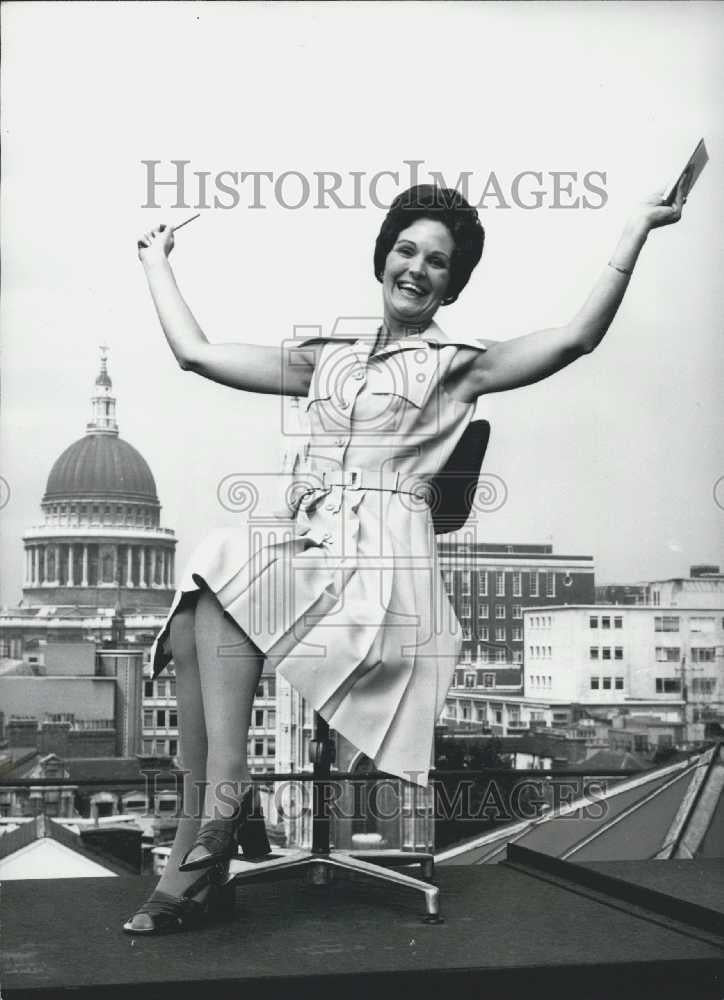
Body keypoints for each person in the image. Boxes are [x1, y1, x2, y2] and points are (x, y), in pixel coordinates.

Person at [124, 178, 687, 934]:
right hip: (311, 555)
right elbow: (195, 354)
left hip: (382, 583)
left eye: (437, 261)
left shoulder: (457, 365)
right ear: (383, 258)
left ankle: (213, 828)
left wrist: (634, 232)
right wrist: (156, 260)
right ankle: (207, 840)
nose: (416, 268)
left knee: (222, 560)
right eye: (406, 250)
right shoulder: (328, 360)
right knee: (202, 594)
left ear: (453, 283)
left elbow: (575, 339)